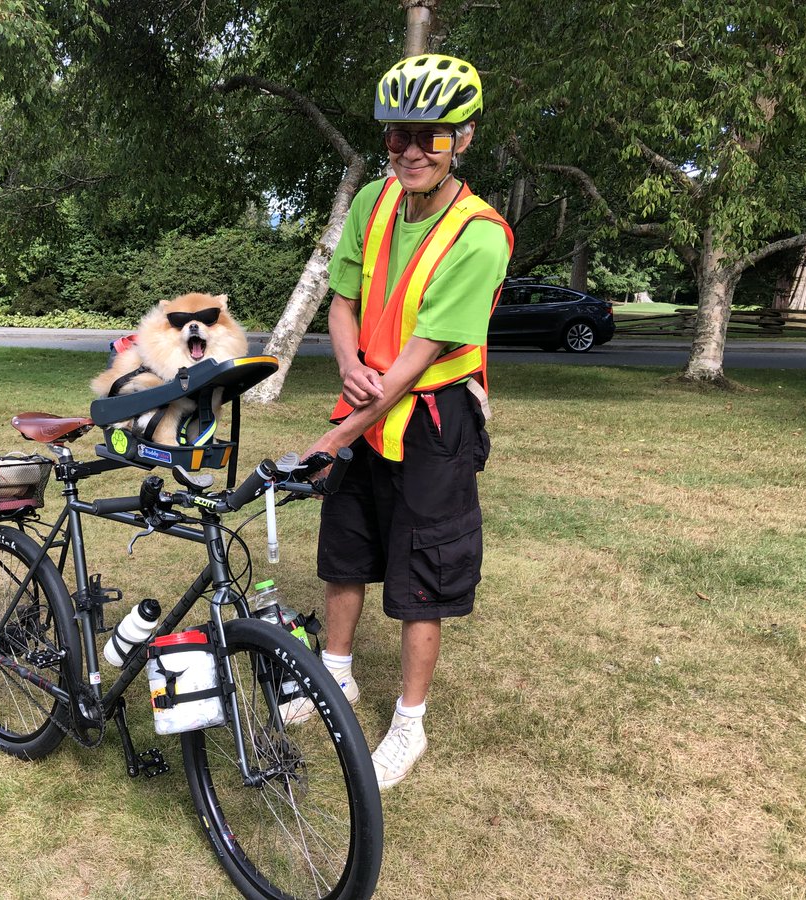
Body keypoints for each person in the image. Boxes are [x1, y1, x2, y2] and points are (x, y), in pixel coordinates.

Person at [299, 54, 513, 789]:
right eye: (398, 136)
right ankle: (335, 675)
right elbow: (343, 300)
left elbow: (417, 363)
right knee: (346, 545)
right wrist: (347, 363)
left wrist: (332, 438)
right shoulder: (373, 202)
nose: (413, 151)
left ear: (465, 139)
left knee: (426, 568)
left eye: (433, 136)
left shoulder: (480, 235)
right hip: (367, 396)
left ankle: (409, 724)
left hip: (432, 416)